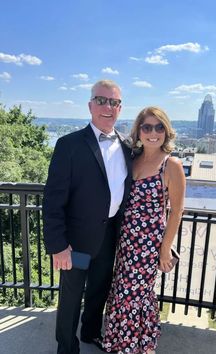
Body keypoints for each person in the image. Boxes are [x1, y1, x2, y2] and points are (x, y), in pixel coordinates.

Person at [43, 79, 132, 354]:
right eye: (101, 100)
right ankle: (67, 347)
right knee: (70, 298)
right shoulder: (69, 145)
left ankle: (90, 332)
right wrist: (58, 246)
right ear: (90, 105)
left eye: (113, 102)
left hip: (107, 239)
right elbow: (53, 200)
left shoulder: (128, 148)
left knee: (98, 292)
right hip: (76, 243)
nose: (108, 107)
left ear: (120, 108)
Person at [102, 106, 186, 354]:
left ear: (166, 131)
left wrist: (164, 250)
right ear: (139, 131)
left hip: (149, 245)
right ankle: (131, 342)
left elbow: (177, 212)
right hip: (126, 240)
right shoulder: (132, 159)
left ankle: (134, 346)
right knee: (123, 290)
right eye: (147, 127)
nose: (153, 132)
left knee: (133, 294)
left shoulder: (172, 165)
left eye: (159, 127)